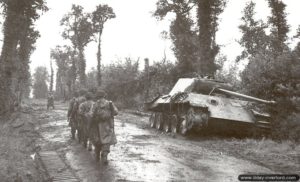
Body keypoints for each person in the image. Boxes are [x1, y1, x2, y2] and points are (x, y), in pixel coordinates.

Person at [90, 90, 118, 165]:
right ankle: (105, 156)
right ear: (104, 96)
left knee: (97, 140)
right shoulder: (109, 103)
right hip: (107, 125)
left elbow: (91, 115)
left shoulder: (95, 104)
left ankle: (97, 155)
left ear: (97, 96)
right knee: (106, 140)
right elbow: (116, 112)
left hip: (97, 125)